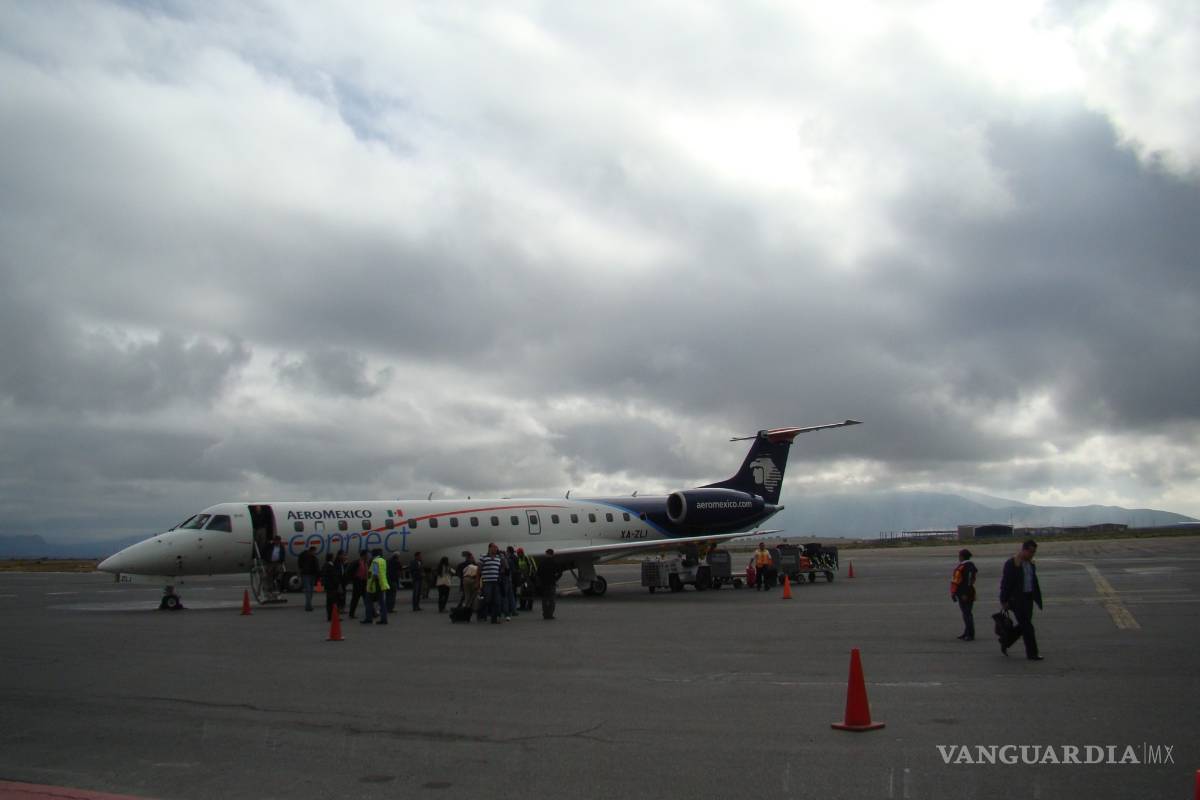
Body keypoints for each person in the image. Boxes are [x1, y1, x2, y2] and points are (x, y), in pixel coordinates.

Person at [999, 539, 1044, 660]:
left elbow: (1033, 582)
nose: (1032, 554)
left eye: (1034, 552)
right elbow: (1006, 583)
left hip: (1029, 599)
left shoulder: (1031, 564)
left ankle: (1006, 641)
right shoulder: (1012, 563)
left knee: (1024, 625)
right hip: (1016, 600)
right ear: (1023, 550)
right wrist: (1003, 600)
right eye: (1030, 551)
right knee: (1028, 627)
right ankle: (1032, 653)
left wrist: (1038, 598)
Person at [950, 548, 978, 640]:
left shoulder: (967, 567)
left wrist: (965, 593)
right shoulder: (968, 566)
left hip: (965, 593)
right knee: (966, 613)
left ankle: (970, 634)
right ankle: (967, 632)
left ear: (962, 557)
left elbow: (969, 581)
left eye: (959, 556)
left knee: (967, 614)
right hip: (963, 592)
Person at [478, 543, 504, 624]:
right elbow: (479, 570)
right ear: (490, 548)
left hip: (496, 582)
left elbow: (502, 568)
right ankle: (481, 614)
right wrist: (477, 582)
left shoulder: (498, 558)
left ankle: (494, 619)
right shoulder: (483, 557)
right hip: (487, 582)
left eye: (496, 548)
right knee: (487, 599)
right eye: (494, 548)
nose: (496, 549)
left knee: (496, 601)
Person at [363, 548, 389, 625]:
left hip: (375, 585)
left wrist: (370, 585)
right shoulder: (383, 560)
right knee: (382, 603)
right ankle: (384, 619)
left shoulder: (375, 561)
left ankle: (368, 618)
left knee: (368, 602)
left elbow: (374, 574)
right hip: (382, 584)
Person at [322, 552, 346, 622]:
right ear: (331, 558)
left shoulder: (325, 565)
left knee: (329, 602)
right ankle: (334, 616)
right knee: (334, 602)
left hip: (329, 587)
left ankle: (330, 616)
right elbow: (334, 577)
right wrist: (338, 585)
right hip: (332, 587)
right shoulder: (330, 566)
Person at [536, 548, 558, 620]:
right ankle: (550, 614)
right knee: (552, 600)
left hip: (544, 583)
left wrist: (540, 581)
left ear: (547, 554)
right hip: (552, 583)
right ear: (552, 554)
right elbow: (559, 572)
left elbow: (538, 573)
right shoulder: (554, 562)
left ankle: (545, 614)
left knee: (545, 599)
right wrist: (556, 579)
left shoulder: (542, 563)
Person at [297, 545, 320, 612]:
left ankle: (308, 605)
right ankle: (308, 606)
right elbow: (316, 566)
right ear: (311, 550)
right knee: (309, 590)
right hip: (307, 574)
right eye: (314, 551)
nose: (315, 552)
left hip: (309, 574)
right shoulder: (308, 557)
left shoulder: (310, 557)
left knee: (310, 591)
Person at [348, 550, 369, 618]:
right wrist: (353, 579)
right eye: (367, 555)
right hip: (358, 582)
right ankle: (351, 613)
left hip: (364, 582)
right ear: (363, 555)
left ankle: (371, 612)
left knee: (367, 598)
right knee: (355, 599)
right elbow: (350, 571)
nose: (368, 556)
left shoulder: (366, 562)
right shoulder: (357, 562)